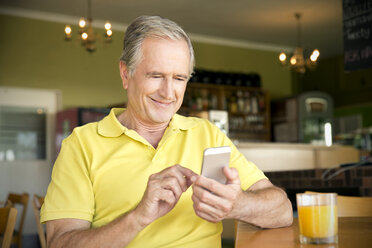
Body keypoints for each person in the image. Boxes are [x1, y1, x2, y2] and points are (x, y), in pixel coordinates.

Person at [40, 15, 293, 248]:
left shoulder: (207, 134)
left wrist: (238, 204)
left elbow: (282, 211)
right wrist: (139, 217)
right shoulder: (81, 145)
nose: (168, 92)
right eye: (156, 75)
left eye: (179, 78)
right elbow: (60, 243)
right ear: (126, 74)